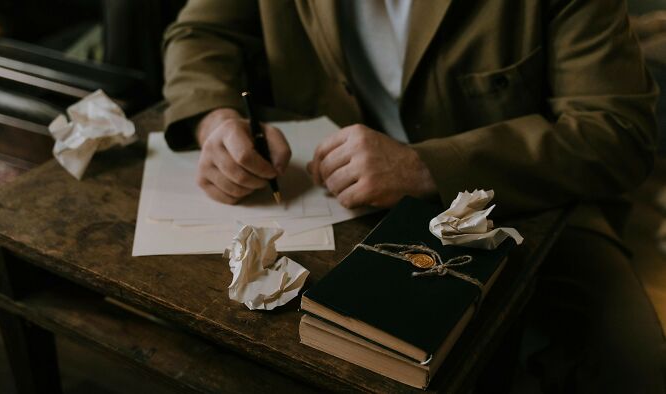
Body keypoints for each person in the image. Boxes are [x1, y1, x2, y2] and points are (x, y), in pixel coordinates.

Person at [162, 1, 665, 392]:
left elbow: (618, 131)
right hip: (324, 200)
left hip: (520, 206)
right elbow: (200, 33)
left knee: (634, 360)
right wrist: (216, 120)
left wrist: (427, 165)